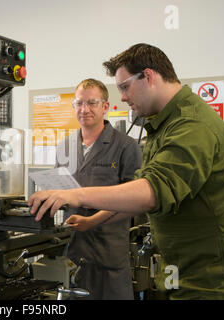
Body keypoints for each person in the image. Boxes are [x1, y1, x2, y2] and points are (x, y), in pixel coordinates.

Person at [29, 43, 224, 300]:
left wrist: (76, 196)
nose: (122, 97)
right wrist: (91, 220)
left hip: (212, 282)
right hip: (180, 273)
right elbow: (137, 200)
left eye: (124, 86)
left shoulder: (191, 124)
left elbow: (151, 191)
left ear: (148, 76)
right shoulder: (161, 125)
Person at [55, 78, 141, 300]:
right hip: (72, 252)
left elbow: (133, 200)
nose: (85, 109)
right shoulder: (64, 146)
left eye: (92, 103)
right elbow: (59, 191)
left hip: (108, 256)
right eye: (79, 103)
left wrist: (92, 221)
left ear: (105, 106)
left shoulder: (126, 147)